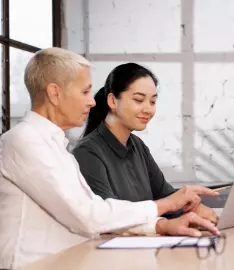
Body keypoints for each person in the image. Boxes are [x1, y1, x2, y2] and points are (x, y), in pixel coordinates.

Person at [0, 48, 219, 269]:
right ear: (55, 94)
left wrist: (161, 226)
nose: (93, 102)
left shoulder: (55, 145)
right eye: (85, 92)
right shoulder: (23, 141)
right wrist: (165, 205)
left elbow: (100, 210)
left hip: (67, 261)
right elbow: (89, 217)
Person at [72, 63, 217, 224]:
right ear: (113, 101)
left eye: (152, 102)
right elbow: (108, 218)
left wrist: (192, 207)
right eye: (139, 100)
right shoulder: (87, 152)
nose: (148, 109)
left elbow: (165, 196)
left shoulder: (137, 146)